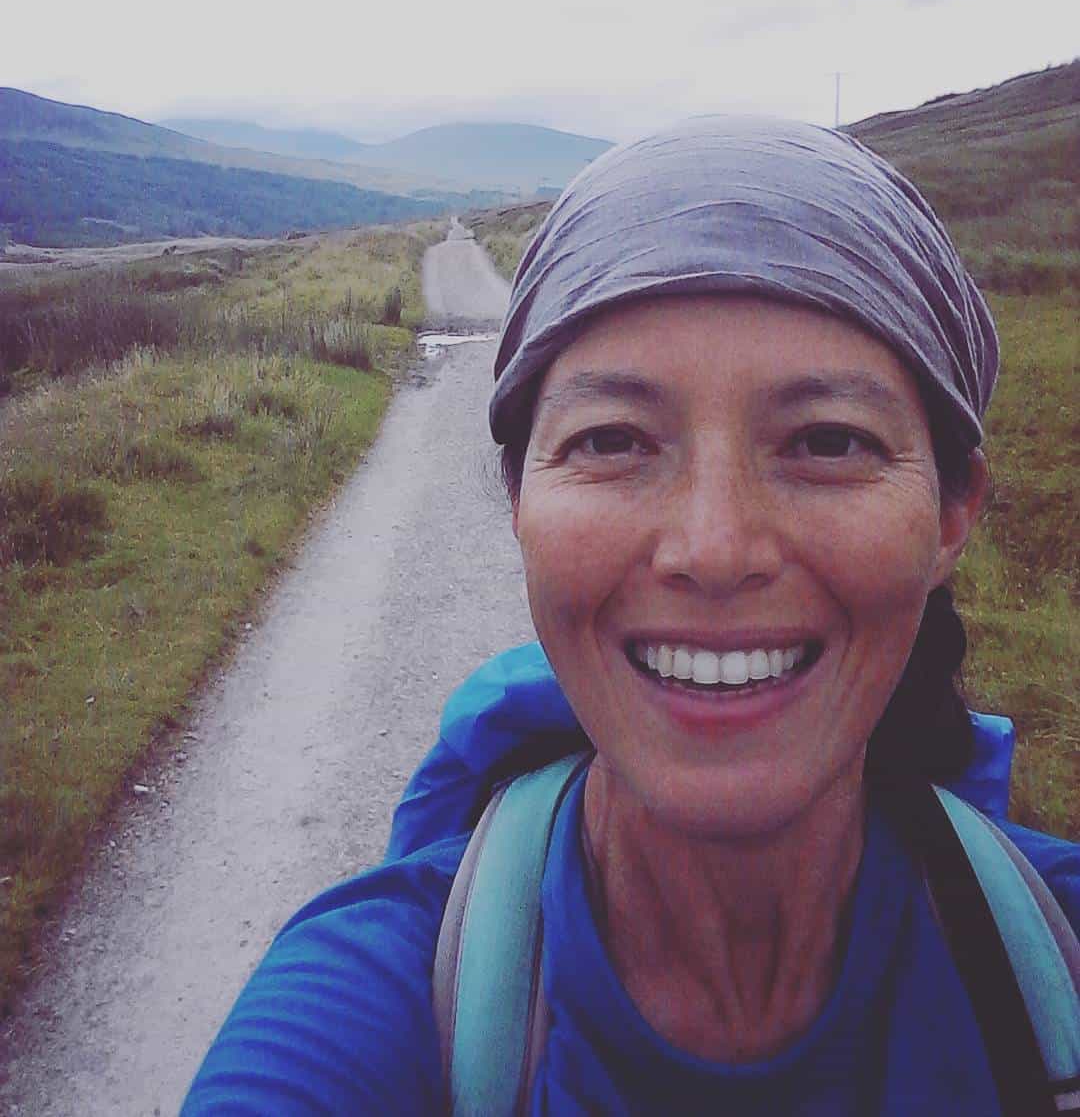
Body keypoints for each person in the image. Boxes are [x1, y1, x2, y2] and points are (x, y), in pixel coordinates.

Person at [183, 116, 1079, 1116]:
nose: (714, 549)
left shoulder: (1061, 961)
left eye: (828, 441)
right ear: (518, 497)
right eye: (612, 438)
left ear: (954, 510)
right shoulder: (367, 1007)